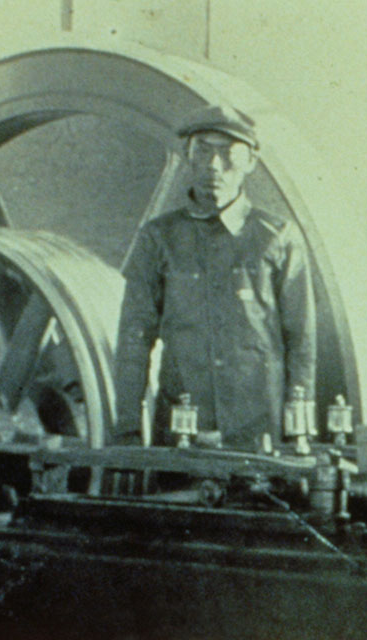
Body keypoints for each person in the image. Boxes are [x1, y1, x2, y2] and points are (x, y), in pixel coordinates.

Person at [113, 104, 316, 452]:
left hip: (260, 435)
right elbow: (134, 337)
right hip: (181, 431)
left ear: (251, 161)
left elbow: (302, 342)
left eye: (228, 154)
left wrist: (300, 431)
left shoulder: (278, 238)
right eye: (203, 151)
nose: (214, 166)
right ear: (187, 156)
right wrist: (127, 428)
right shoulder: (158, 238)